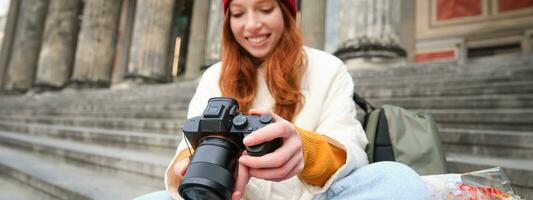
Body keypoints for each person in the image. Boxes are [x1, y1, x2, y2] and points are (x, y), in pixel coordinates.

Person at [137, 0, 431, 199]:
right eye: (238, 13)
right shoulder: (215, 75)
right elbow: (184, 151)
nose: (250, 25)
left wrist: (304, 150)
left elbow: (352, 147)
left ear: (287, 12)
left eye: (265, 8)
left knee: (397, 179)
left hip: (312, 196)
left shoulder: (327, 67)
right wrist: (191, 166)